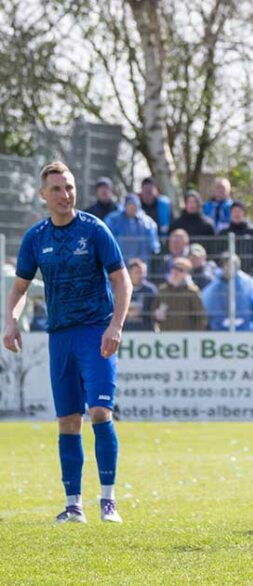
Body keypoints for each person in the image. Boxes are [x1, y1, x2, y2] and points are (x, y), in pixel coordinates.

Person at [3, 161, 130, 524]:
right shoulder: (35, 238)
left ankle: (108, 501)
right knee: (67, 421)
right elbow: (20, 288)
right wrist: (11, 322)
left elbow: (122, 281)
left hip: (95, 332)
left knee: (101, 413)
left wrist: (115, 326)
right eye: (57, 189)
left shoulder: (94, 230)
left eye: (69, 187)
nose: (65, 194)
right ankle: (73, 504)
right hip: (60, 336)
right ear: (43, 194)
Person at [201, 253, 253, 331]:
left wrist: (252, 325)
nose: (230, 268)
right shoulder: (215, 286)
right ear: (223, 266)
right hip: (219, 329)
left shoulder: (247, 283)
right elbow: (207, 306)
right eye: (227, 265)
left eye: (233, 265)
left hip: (244, 328)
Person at [105, 194, 160, 265]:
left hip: (141, 263)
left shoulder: (147, 222)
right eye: (130, 204)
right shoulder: (113, 220)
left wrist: (155, 248)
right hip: (120, 262)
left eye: (135, 205)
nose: (132, 207)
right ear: (124, 206)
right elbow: (107, 240)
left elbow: (154, 243)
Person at [154, 258, 207, 331]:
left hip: (186, 337)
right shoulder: (163, 290)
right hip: (165, 336)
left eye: (180, 270)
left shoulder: (192, 291)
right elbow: (153, 313)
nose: (176, 272)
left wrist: (195, 336)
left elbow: (200, 317)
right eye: (174, 268)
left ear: (187, 274)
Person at [218, 202, 253, 274]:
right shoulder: (223, 233)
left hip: (248, 273)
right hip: (227, 274)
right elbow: (216, 252)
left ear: (244, 213)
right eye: (234, 211)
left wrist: (250, 264)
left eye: (239, 211)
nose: (236, 214)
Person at [124, 258, 159, 332]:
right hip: (125, 331)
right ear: (129, 272)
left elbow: (155, 311)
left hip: (145, 332)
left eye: (143, 272)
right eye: (137, 272)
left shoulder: (151, 290)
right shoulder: (122, 289)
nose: (141, 275)